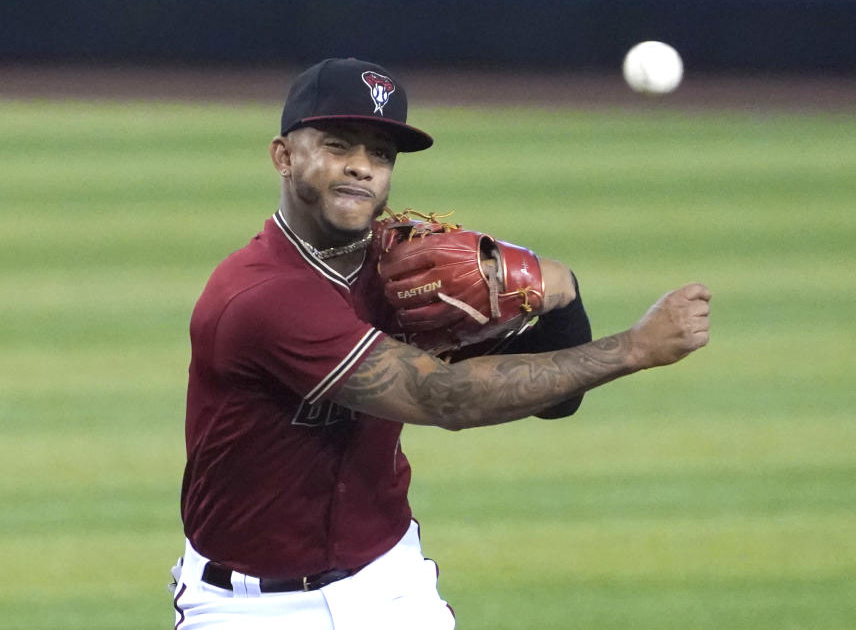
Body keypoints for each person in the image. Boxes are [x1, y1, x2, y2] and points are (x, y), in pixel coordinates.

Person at [171, 58, 711, 630]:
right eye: (337, 145)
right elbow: (445, 398)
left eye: (380, 154)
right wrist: (635, 348)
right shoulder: (262, 294)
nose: (361, 167)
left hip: (389, 585)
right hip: (251, 608)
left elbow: (555, 398)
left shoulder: (401, 266)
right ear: (283, 156)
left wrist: (561, 293)